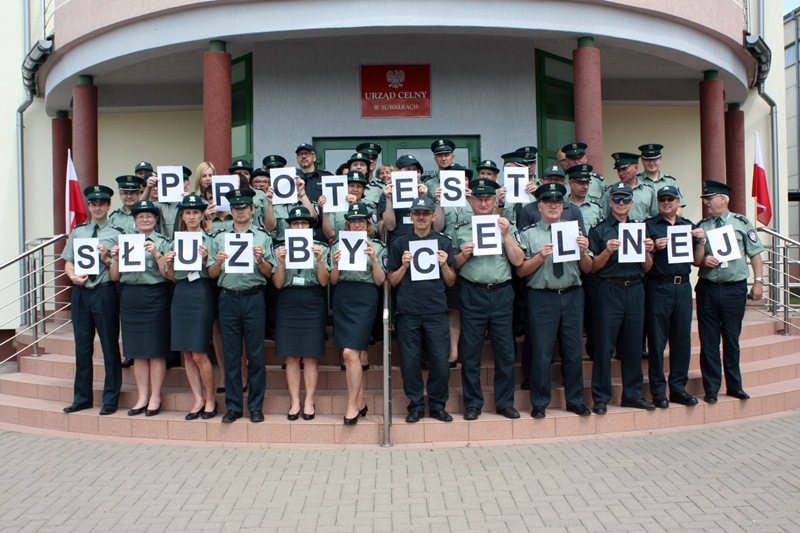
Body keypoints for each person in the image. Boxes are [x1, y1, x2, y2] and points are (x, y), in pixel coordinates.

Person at [451, 179, 525, 420]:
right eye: (479, 198)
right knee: (471, 351)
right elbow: (452, 266)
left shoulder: (506, 225)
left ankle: (505, 403)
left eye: (488, 199)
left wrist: (506, 235)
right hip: (472, 292)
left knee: (505, 352)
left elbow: (518, 261)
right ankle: (473, 403)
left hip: (501, 292)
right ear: (471, 200)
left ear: (495, 201)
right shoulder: (461, 227)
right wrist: (463, 255)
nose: (483, 203)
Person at [517, 183, 593, 418]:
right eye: (548, 203)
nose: (553, 206)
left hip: (571, 295)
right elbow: (521, 272)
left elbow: (588, 269)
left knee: (572, 352)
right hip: (542, 298)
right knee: (541, 353)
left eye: (557, 203)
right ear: (539, 206)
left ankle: (575, 400)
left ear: (563, 206)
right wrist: (540, 256)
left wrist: (582, 252)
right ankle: (539, 402)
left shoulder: (575, 232)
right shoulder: (529, 233)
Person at [208, 189, 275, 423]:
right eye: (236, 208)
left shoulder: (262, 237)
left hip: (254, 297)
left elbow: (269, 273)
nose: (240, 211)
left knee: (256, 355)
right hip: (228, 297)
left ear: (251, 209)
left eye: (244, 207)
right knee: (231, 355)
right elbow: (212, 274)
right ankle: (234, 406)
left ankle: (255, 406)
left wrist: (260, 260)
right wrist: (217, 263)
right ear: (231, 211)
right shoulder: (219, 237)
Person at [388, 196, 456, 423]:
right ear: (410, 216)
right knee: (410, 361)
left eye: (425, 213)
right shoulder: (399, 243)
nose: (421, 217)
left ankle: (437, 405)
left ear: (433, 216)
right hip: (408, 311)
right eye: (417, 213)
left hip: (436, 310)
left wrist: (445, 264)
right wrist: (405, 266)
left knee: (439, 361)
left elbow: (451, 281)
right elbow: (392, 280)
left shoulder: (444, 243)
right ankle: (415, 405)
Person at [588, 183, 655, 414]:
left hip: (635, 289)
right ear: (610, 202)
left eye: (625, 200)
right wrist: (607, 251)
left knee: (634, 345)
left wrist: (647, 250)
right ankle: (601, 397)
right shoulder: (599, 230)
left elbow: (647, 267)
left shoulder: (640, 229)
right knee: (604, 346)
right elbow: (592, 267)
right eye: (616, 200)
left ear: (632, 203)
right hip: (609, 289)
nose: (621, 204)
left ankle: (632, 394)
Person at [695, 180, 764, 403]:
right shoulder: (702, 225)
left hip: (734, 289)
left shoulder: (741, 223)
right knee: (709, 341)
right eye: (705, 199)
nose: (706, 202)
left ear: (723, 199)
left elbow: (755, 254)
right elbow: (695, 259)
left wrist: (759, 282)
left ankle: (735, 386)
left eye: (709, 198)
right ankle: (712, 388)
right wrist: (703, 258)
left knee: (731, 339)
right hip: (708, 288)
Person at [61, 185, 124, 415]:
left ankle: (110, 398)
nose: (97, 207)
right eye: (93, 204)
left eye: (102, 204)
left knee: (109, 346)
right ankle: (82, 397)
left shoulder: (117, 233)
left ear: (108, 206)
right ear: (88, 206)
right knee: (83, 347)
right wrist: (72, 276)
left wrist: (106, 257)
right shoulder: (79, 231)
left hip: (105, 291)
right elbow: (68, 260)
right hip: (81, 292)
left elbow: (122, 268)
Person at [644, 185, 706, 408]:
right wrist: (651, 249)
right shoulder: (649, 226)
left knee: (681, 341)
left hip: (682, 287)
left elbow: (697, 261)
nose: (667, 202)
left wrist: (701, 241)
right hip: (658, 286)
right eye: (663, 199)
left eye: (671, 199)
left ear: (678, 202)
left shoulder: (688, 226)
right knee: (657, 341)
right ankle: (658, 391)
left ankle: (678, 387)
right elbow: (644, 264)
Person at [109, 200, 172, 417]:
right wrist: (115, 259)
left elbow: (168, 275)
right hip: (130, 297)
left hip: (155, 296)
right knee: (137, 352)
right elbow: (115, 277)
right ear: (134, 220)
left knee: (155, 351)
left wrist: (156, 253)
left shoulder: (163, 242)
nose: (145, 219)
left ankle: (155, 396)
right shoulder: (125, 242)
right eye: (140, 217)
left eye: (149, 216)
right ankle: (142, 396)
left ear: (156, 220)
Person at [330, 202, 387, 424]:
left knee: (349, 354)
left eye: (360, 221)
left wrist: (373, 259)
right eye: (352, 221)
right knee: (350, 354)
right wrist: (335, 265)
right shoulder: (338, 245)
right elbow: (333, 280)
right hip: (343, 295)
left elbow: (381, 281)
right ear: (348, 224)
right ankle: (361, 401)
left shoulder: (377, 246)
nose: (356, 225)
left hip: (365, 297)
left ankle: (351, 405)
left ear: (367, 224)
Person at [272, 205, 330, 421]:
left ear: (309, 226)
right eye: (295, 223)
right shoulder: (280, 248)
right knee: (292, 356)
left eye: (303, 223)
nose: (299, 227)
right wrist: (280, 262)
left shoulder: (319, 246)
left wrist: (321, 260)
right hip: (288, 300)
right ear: (289, 226)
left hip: (312, 299)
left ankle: (309, 400)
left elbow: (324, 281)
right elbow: (277, 284)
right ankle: (295, 400)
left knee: (311, 356)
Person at [164, 193, 218, 420]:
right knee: (186, 352)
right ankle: (197, 398)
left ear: (202, 214)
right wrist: (167, 263)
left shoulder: (211, 239)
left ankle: (211, 398)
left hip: (202, 291)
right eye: (188, 212)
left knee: (199, 352)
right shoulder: (175, 241)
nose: (192, 216)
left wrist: (207, 260)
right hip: (182, 291)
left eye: (196, 212)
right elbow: (172, 277)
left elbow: (216, 274)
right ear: (183, 216)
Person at [379, 155, 430, 246]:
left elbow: (435, 225)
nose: (411, 173)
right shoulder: (388, 193)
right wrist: (388, 198)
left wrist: (424, 197)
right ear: (397, 171)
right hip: (397, 242)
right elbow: (390, 226)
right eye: (408, 169)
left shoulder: (425, 191)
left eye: (415, 170)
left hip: (422, 241)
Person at [601, 152, 658, 221]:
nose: (620, 173)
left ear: (636, 168)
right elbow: (605, 219)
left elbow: (655, 217)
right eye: (619, 170)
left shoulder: (648, 191)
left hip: (643, 230)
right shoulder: (611, 191)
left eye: (624, 169)